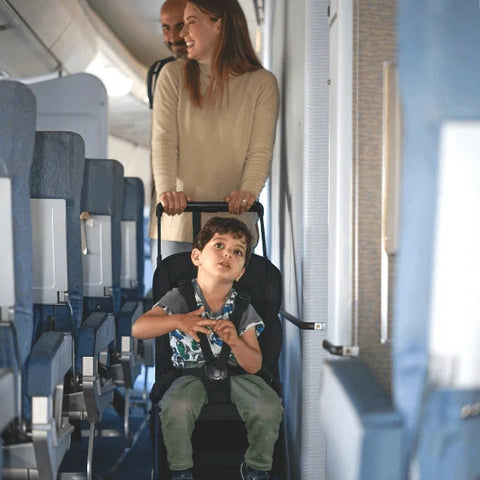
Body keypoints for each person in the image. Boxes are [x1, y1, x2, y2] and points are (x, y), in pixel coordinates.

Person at [132, 217, 283, 480]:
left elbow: (254, 365)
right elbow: (139, 328)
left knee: (269, 406)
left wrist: (235, 341)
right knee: (174, 407)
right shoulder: (179, 298)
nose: (228, 253)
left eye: (237, 252)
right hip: (189, 374)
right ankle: (180, 470)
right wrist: (179, 320)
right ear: (197, 257)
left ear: (240, 272)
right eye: (219, 245)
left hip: (238, 374)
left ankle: (257, 467)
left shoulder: (243, 308)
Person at [151, 0, 279, 259]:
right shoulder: (172, 75)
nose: (182, 33)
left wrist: (248, 192)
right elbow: (164, 141)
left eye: (191, 23)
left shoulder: (261, 83)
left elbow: (259, 150)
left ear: (219, 25)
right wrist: (167, 192)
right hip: (180, 226)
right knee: (176, 299)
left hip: (234, 229)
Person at [147, 0, 188, 268]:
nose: (172, 37)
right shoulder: (159, 72)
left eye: (181, 26)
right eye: (165, 28)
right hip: (169, 199)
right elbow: (161, 136)